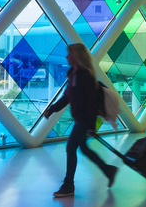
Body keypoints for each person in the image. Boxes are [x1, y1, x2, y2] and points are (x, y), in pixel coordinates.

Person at [43, 43, 118, 198]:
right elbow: (66, 98)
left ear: (76, 56)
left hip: (84, 120)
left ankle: (68, 184)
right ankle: (108, 170)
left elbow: (91, 102)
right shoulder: (73, 74)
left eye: (69, 54)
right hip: (80, 119)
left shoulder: (85, 76)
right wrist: (51, 110)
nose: (66, 57)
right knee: (83, 148)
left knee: (71, 148)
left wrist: (91, 126)